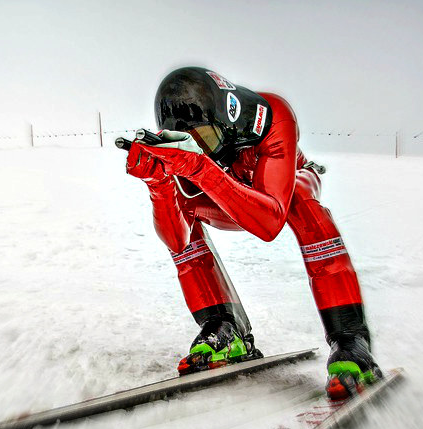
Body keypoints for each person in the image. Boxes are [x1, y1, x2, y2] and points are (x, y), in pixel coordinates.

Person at [124, 66, 381, 400]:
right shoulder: (193, 151)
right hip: (223, 195)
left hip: (283, 188)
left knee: (304, 203)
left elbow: (269, 222)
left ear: (226, 118)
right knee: (181, 207)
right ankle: (224, 326)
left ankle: (350, 339)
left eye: (207, 136)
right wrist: (158, 185)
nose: (204, 148)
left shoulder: (272, 115)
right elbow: (178, 241)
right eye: (194, 141)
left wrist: (198, 167)